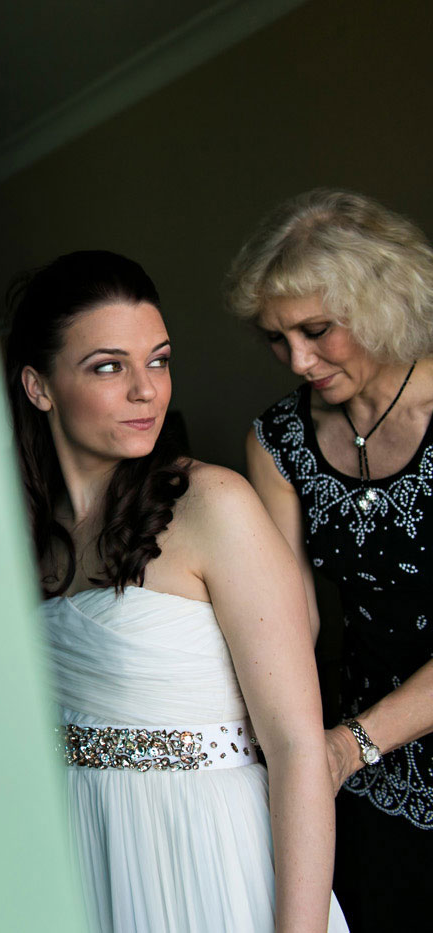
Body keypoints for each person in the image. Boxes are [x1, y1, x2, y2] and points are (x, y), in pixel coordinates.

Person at [7, 250, 344, 932]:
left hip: (211, 860)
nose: (146, 390)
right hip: (84, 857)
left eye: (157, 360)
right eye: (109, 366)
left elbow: (300, 748)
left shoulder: (214, 505)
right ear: (39, 386)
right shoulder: (21, 540)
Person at [229, 189, 433, 930]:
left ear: (382, 298)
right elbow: (288, 622)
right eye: (276, 339)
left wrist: (353, 742)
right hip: (371, 780)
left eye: (317, 330)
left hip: (363, 742)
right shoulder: (278, 440)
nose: (298, 360)